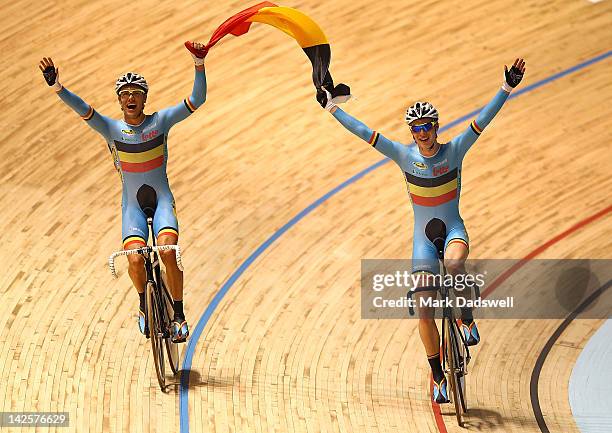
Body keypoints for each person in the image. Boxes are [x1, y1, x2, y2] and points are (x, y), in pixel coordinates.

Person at [319, 59, 526, 402]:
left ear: (435, 127)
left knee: (456, 265)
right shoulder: (403, 155)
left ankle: (466, 320)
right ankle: (438, 377)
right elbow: (365, 132)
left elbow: (482, 121)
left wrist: (506, 88)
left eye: (427, 126)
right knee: (425, 309)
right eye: (416, 129)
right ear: (412, 133)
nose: (423, 133)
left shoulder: (455, 151)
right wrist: (331, 110)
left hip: (453, 228)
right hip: (423, 244)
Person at [38, 42, 210, 343]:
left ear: (144, 99)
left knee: (168, 251)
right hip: (131, 205)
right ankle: (144, 305)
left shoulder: (161, 122)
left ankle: (179, 314)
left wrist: (199, 62)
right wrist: (57, 87)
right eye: (125, 95)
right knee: (133, 259)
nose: (131, 98)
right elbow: (83, 108)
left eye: (136, 94)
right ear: (120, 102)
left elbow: (198, 99)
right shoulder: (111, 129)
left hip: (161, 201)